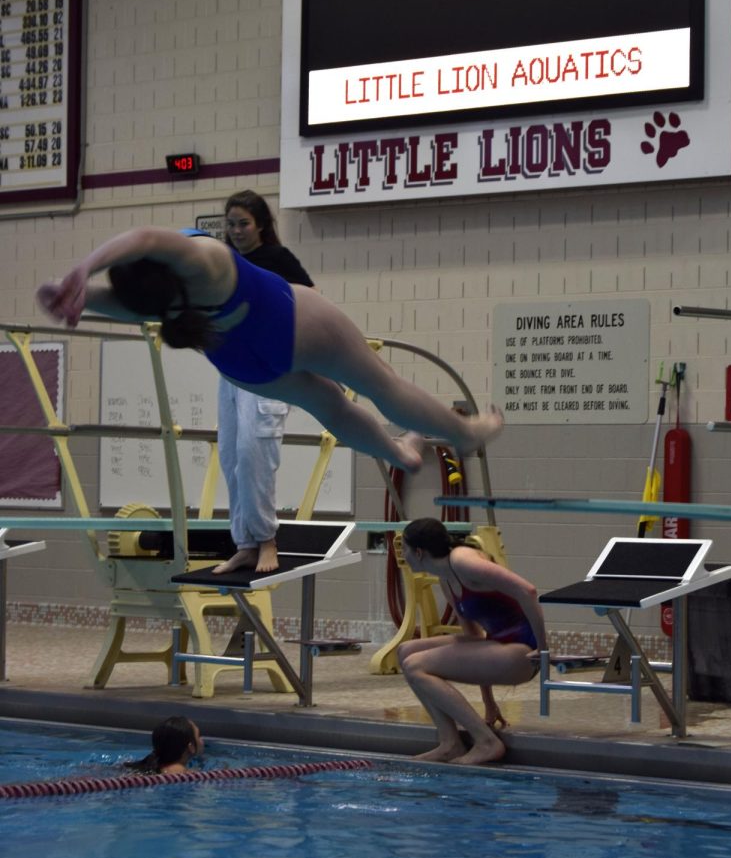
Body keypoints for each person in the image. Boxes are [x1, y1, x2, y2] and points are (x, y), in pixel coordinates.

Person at [36, 226, 502, 473]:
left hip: (239, 362)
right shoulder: (202, 261)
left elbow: (128, 305)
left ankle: (400, 454)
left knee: (331, 409)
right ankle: (465, 434)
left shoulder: (162, 303)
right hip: (290, 323)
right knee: (381, 383)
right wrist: (87, 266)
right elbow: (142, 238)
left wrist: (70, 293)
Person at [215, 191, 315, 574]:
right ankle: (245, 543)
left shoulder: (277, 260)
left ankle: (267, 539)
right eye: (232, 223)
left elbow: (310, 300)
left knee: (255, 452)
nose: (237, 231)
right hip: (231, 370)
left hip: (267, 369)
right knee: (231, 456)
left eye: (244, 223)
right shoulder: (224, 263)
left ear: (260, 225)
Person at [397, 517, 548, 766]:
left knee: (416, 665)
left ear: (419, 552)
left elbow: (527, 591)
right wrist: (489, 703)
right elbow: (474, 640)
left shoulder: (463, 562)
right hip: (498, 647)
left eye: (405, 549)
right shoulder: (446, 577)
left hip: (522, 651)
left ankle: (486, 742)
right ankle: (450, 743)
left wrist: (543, 648)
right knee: (406, 651)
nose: (403, 555)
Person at [126, 716, 204, 775]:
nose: (202, 740)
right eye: (199, 735)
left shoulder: (151, 764)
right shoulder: (182, 773)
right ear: (191, 747)